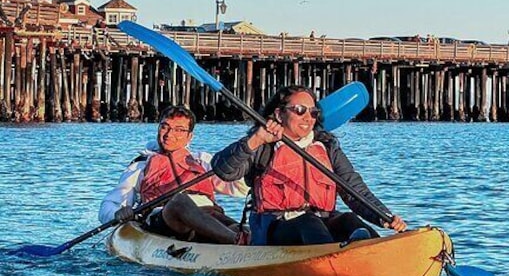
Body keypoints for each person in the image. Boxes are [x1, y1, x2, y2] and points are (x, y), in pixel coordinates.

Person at [211, 85, 407, 246]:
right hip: (275, 228)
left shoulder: (326, 146)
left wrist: (383, 216)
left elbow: (354, 190)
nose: (308, 118)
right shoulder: (263, 145)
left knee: (349, 220)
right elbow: (224, 171)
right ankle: (332, 265)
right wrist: (255, 140)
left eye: (313, 112)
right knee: (308, 222)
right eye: (299, 110)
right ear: (279, 114)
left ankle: (377, 257)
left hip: (321, 222)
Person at [99, 105, 249, 244]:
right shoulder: (141, 166)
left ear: (189, 136)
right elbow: (108, 205)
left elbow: (241, 188)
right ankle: (236, 241)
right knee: (179, 201)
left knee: (242, 228)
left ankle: (242, 240)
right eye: (165, 127)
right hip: (167, 218)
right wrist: (117, 213)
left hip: (208, 216)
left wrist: (241, 156)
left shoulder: (202, 160)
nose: (169, 134)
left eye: (179, 130)